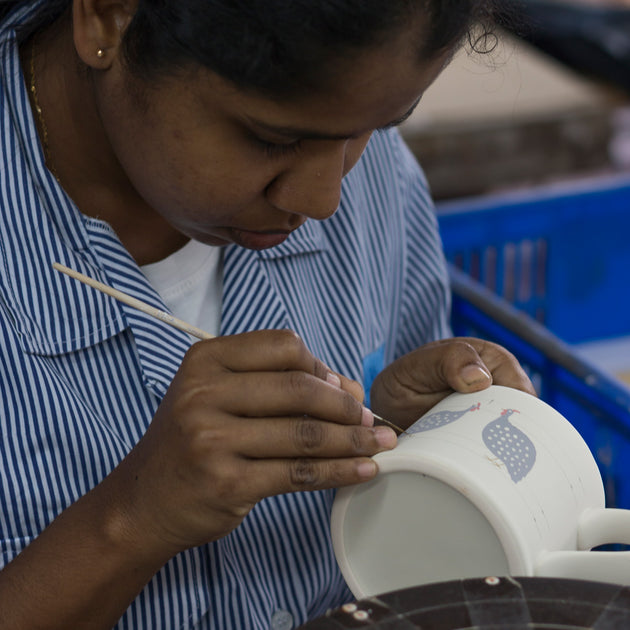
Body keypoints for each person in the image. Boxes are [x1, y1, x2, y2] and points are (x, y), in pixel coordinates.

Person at [0, 1, 534, 628]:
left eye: (377, 127)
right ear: (109, 19)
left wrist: (417, 447)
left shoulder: (372, 169)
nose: (324, 198)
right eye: (272, 138)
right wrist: (130, 520)